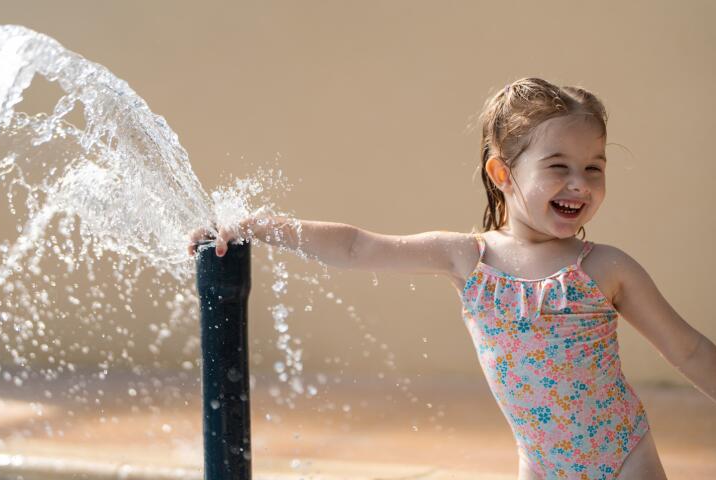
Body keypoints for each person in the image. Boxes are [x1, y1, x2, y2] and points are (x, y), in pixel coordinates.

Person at [188, 77, 715, 479]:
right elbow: (356, 245)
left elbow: (687, 351)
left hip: (625, 457)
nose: (579, 183)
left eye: (594, 168)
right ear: (502, 174)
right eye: (559, 166)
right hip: (538, 464)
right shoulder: (469, 259)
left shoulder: (605, 268)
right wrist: (256, 227)